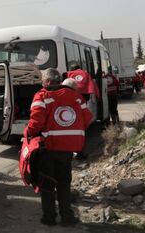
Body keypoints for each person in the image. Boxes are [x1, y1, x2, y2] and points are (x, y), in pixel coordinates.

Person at [25, 68, 93, 226]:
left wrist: (28, 133)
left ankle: (49, 218)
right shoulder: (76, 96)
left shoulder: (42, 96)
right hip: (68, 149)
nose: (42, 84)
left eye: (43, 81)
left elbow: (36, 122)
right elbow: (88, 118)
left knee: (47, 183)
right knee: (64, 183)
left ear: (47, 82)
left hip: (48, 148)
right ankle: (67, 217)